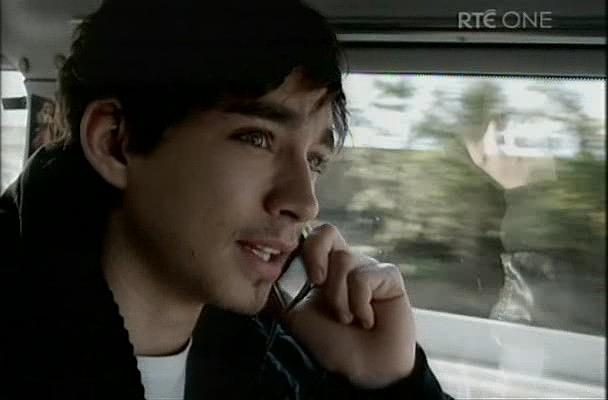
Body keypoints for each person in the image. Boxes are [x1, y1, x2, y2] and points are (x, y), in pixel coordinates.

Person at [0, 0, 452, 398]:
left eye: (315, 160)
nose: (305, 202)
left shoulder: (275, 363)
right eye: (257, 138)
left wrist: (391, 383)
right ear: (116, 142)